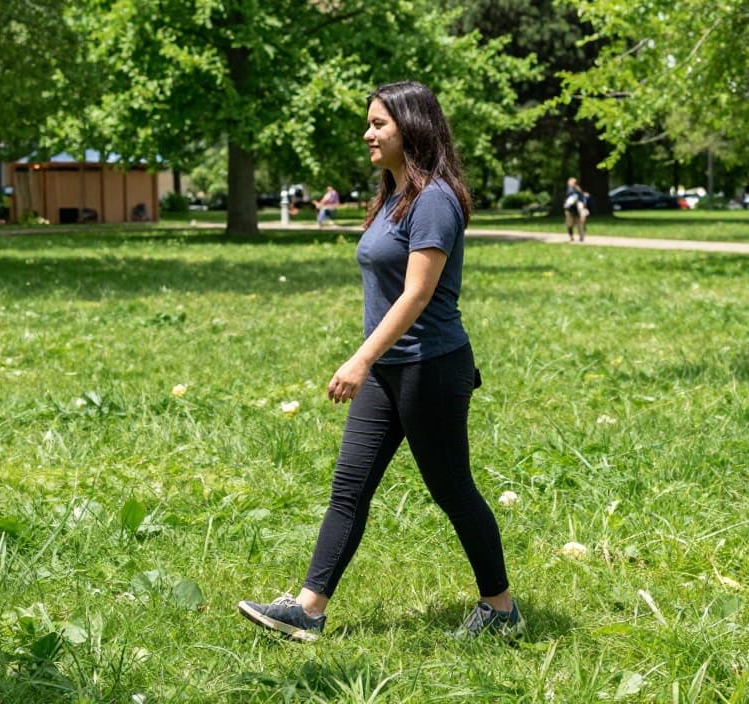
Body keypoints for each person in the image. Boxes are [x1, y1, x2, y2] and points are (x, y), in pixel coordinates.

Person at [238, 81, 522, 642]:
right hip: (391, 369)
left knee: (452, 489)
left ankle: (501, 609)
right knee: (349, 487)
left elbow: (417, 294)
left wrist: (360, 358)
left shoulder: (435, 199)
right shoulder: (394, 196)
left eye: (379, 124)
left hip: (430, 366)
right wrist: (373, 361)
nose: (368, 134)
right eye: (369, 124)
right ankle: (308, 610)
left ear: (410, 128)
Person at [562, 177, 589, 242]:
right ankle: (571, 237)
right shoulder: (569, 190)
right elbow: (567, 201)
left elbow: (583, 199)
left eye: (573, 182)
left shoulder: (578, 189)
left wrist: (584, 206)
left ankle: (581, 237)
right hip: (570, 209)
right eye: (570, 182)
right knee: (569, 224)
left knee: (580, 223)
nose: (571, 183)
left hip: (579, 208)